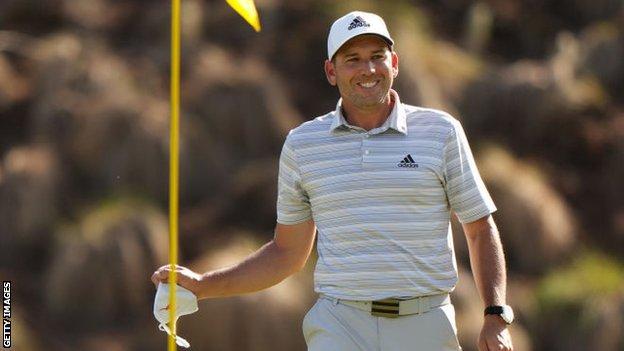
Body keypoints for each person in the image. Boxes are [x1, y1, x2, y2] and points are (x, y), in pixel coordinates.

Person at [152, 10, 514, 351]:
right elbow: (287, 252)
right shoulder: (303, 144)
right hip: (340, 324)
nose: (368, 68)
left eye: (377, 55)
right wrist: (204, 286)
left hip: (424, 322)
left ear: (395, 63)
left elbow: (479, 229)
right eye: (352, 59)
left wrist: (495, 314)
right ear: (331, 71)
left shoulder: (441, 132)